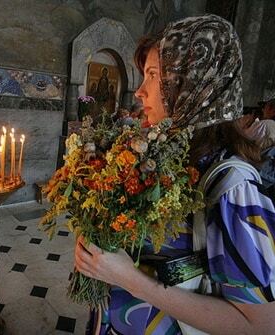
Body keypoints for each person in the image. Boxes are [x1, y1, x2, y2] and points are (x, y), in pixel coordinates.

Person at [75, 15, 275, 334]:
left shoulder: (231, 187)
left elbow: (260, 325)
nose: (139, 92)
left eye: (153, 75)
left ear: (194, 84)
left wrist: (129, 279)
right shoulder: (163, 156)